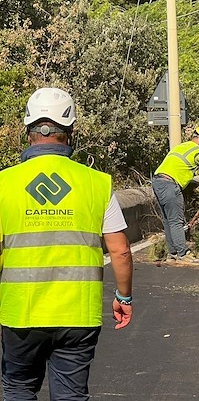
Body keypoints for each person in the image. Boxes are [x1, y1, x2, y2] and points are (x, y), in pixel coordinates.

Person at [0, 87, 133, 401]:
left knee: (18, 389)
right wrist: (123, 297)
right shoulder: (98, 183)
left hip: (21, 314)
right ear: (70, 130)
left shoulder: (4, 183)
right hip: (78, 313)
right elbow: (120, 250)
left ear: (28, 129)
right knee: (71, 395)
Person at [152, 125, 199, 264]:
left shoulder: (181, 146)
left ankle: (172, 254)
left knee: (168, 220)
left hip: (157, 181)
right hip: (170, 184)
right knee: (176, 221)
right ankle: (183, 255)